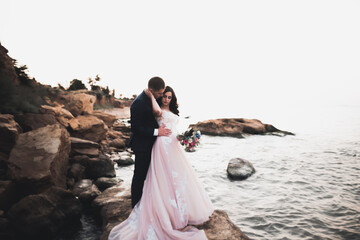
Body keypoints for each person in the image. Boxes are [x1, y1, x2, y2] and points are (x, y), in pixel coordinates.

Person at [108, 85, 214, 239]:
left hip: (173, 144)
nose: (166, 99)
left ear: (173, 99)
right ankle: (164, 210)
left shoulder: (172, 110)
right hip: (162, 144)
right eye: (164, 96)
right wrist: (150, 94)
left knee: (177, 177)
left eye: (169, 97)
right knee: (163, 176)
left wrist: (183, 137)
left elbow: (172, 127)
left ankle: (180, 209)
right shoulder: (156, 108)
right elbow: (156, 114)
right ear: (159, 95)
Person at [129, 76, 172, 208]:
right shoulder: (138, 103)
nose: (161, 96)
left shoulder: (151, 98)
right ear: (151, 90)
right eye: (159, 93)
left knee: (150, 175)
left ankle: (148, 202)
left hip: (152, 144)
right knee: (139, 176)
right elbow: (136, 128)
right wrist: (156, 132)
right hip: (141, 145)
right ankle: (135, 205)